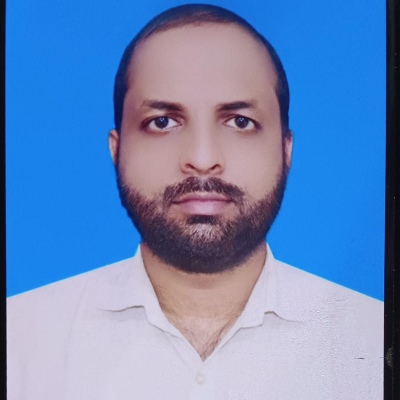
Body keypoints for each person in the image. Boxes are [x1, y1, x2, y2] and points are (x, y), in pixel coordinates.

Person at [7, 4, 383, 400]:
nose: (202, 158)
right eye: (162, 122)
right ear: (117, 151)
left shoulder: (375, 343)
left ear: (286, 150)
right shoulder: (21, 341)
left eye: (240, 121)